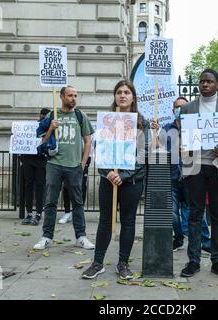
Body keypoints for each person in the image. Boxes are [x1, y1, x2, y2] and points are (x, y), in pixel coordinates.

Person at [82, 80, 158, 280]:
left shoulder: (143, 122)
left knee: (128, 221)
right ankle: (97, 262)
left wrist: (123, 176)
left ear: (133, 97)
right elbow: (100, 150)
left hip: (132, 182)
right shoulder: (106, 120)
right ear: (114, 96)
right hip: (108, 180)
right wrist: (109, 173)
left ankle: (123, 263)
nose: (122, 95)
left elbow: (143, 155)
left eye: (126, 92)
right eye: (119, 92)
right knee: (105, 221)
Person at [179, 69, 218, 280]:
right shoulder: (187, 109)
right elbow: (182, 137)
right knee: (195, 214)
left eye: (209, 81)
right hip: (195, 167)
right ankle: (193, 260)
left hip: (217, 166)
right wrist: (183, 149)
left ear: (217, 84)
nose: (205, 84)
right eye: (202, 81)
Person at [33, 85, 95, 250]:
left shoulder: (80, 116)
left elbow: (88, 141)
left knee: (78, 203)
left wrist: (83, 163)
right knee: (50, 202)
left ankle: (81, 236)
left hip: (74, 165)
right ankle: (47, 237)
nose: (73, 98)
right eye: (70, 95)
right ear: (61, 97)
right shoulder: (52, 115)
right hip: (54, 165)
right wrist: (51, 128)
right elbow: (43, 143)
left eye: (75, 95)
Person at [159, 97, 211, 252]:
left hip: (192, 176)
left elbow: (204, 150)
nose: (179, 110)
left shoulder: (195, 128)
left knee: (197, 211)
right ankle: (179, 238)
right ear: (172, 110)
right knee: (172, 214)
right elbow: (156, 147)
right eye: (177, 107)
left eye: (183, 107)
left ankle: (206, 241)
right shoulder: (166, 129)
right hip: (172, 177)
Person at [21, 108, 50, 226]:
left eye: (45, 115)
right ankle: (29, 213)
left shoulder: (49, 128)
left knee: (39, 186)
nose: (42, 117)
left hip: (41, 160)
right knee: (28, 185)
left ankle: (38, 213)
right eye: (41, 115)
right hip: (28, 158)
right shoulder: (33, 126)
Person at [58, 135, 93, 224]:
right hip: (68, 157)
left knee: (81, 186)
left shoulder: (84, 123)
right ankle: (67, 212)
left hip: (83, 156)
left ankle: (78, 212)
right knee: (66, 185)